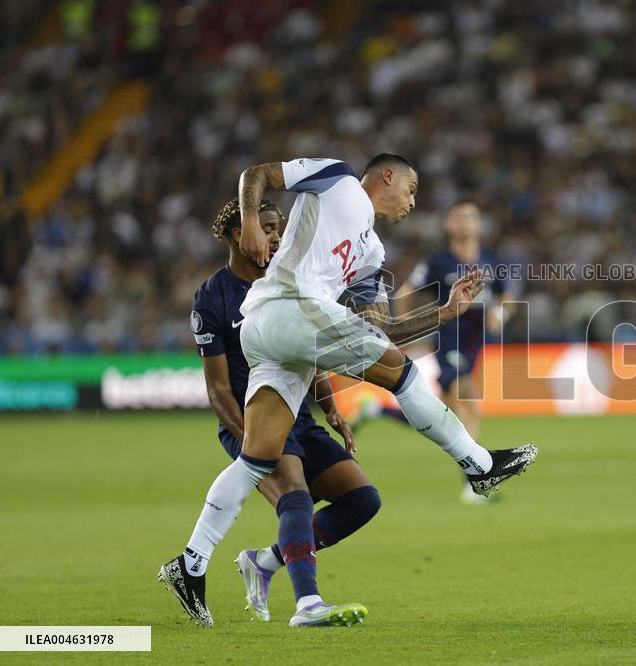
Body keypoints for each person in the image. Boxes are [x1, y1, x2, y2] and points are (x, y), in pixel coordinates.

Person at [160, 154, 538, 628]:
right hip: (288, 305)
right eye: (412, 188)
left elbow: (381, 331)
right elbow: (255, 175)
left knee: (257, 458)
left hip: (276, 330)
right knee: (402, 375)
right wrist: (253, 221)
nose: (413, 201)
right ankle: (478, 465)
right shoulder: (335, 177)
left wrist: (441, 314)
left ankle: (190, 562)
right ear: (387, 177)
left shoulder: (372, 255)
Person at [158, 197, 380, 627]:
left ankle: (264, 561)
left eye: (279, 227)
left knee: (362, 500)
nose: (277, 236)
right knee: (294, 496)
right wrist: (253, 444)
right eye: (268, 228)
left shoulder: (287, 282)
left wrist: (331, 408)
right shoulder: (212, 298)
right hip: (253, 423)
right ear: (240, 234)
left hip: (299, 418)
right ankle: (308, 604)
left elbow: (304, 351)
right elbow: (218, 389)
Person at [365, 200, 516, 505]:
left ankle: (377, 410)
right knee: (469, 405)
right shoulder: (438, 262)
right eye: (458, 216)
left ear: (479, 225)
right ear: (448, 226)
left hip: (475, 346)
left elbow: (507, 297)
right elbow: (405, 294)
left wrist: (501, 314)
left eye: (470, 216)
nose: (464, 222)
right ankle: (476, 484)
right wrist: (403, 331)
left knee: (441, 415)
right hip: (449, 343)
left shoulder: (489, 260)